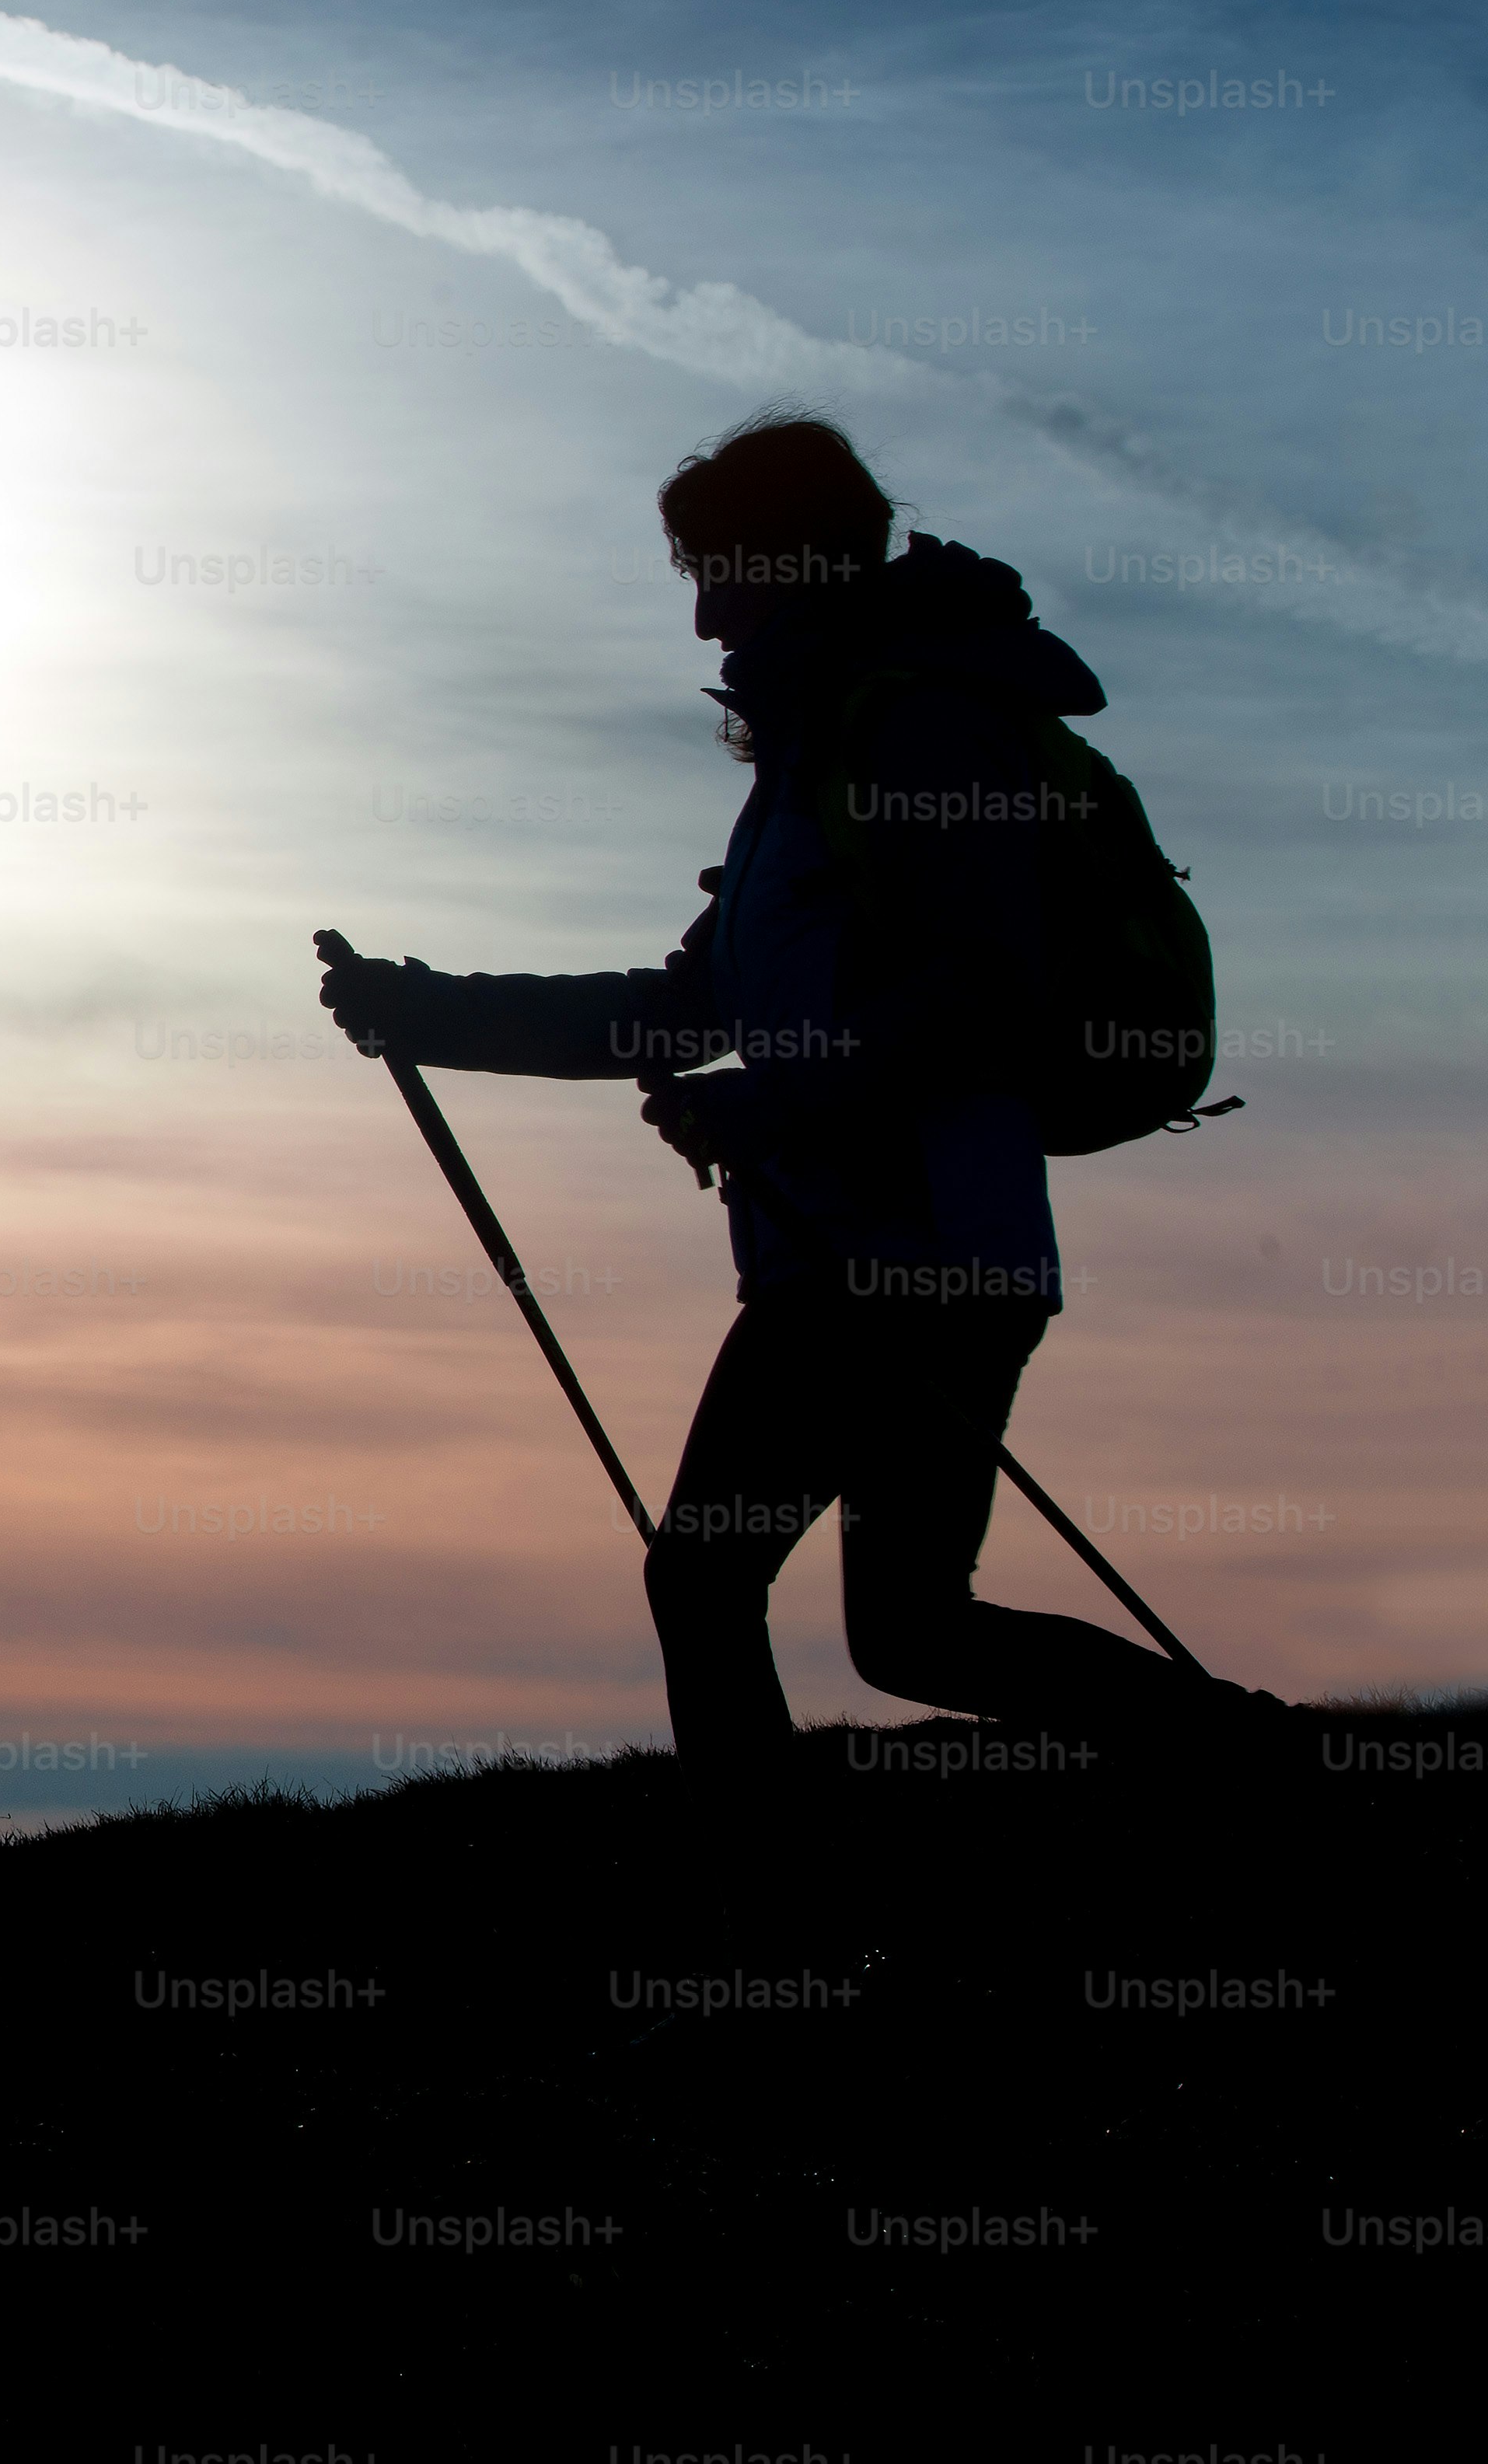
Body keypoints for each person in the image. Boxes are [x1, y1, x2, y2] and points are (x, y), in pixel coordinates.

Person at [315, 412, 1265, 1764]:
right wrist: (429, 1012)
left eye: (720, 572)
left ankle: (763, 1907)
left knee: (707, 1578)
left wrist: (772, 1105)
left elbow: (981, 985)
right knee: (913, 1633)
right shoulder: (816, 769)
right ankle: (1258, 1757)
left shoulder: (923, 729)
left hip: (906, 1252)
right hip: (900, 1247)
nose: (704, 619)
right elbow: (680, 1011)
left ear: (799, 562)